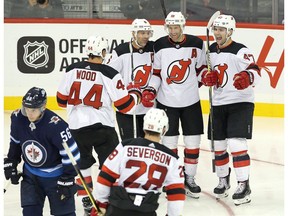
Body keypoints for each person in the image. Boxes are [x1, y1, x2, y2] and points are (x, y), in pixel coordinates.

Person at [56, 35, 142, 215]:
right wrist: (136, 95)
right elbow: (125, 106)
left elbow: (60, 101)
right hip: (103, 128)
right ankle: (108, 200)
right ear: (103, 52)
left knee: (84, 164)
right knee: (110, 166)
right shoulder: (109, 73)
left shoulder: (71, 69)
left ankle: (87, 199)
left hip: (77, 127)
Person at [142, 11, 207, 199]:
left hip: (191, 102)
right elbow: (156, 73)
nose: (172, 31)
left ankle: (189, 178)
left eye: (176, 27)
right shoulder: (159, 45)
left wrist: (207, 78)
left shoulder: (197, 43)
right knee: (169, 143)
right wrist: (150, 90)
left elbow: (201, 69)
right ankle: (171, 178)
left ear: (182, 26)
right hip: (166, 102)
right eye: (169, 27)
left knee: (193, 143)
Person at [200, 14, 261, 205]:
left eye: (221, 30)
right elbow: (203, 70)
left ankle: (244, 184)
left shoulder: (241, 51)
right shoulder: (210, 50)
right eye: (215, 29)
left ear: (230, 32)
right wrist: (206, 77)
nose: (217, 33)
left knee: (236, 144)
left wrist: (247, 78)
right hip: (218, 103)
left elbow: (255, 71)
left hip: (240, 104)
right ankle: (223, 180)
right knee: (218, 146)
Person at [93, 108, 185, 216]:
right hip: (147, 210)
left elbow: (105, 176)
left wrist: (101, 204)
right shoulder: (173, 158)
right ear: (164, 129)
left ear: (144, 126)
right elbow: (177, 193)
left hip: (118, 208)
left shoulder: (125, 146)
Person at [4, 87, 80, 216]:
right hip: (31, 177)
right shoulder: (17, 118)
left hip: (56, 178)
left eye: (33, 110)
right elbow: (15, 142)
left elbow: (72, 153)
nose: (29, 114)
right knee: (30, 213)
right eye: (27, 109)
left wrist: (68, 177)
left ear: (43, 107)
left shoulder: (57, 126)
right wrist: (12, 160)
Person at [107, 18, 154, 140]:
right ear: (133, 34)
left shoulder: (154, 49)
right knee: (128, 145)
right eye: (142, 33)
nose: (145, 36)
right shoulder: (121, 51)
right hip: (126, 109)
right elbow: (108, 75)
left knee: (148, 146)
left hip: (149, 109)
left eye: (147, 33)